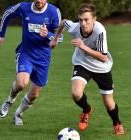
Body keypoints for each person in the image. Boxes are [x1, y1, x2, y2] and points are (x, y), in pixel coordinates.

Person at [50, 3, 125, 135]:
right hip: (82, 63)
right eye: (80, 20)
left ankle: (117, 123)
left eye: (86, 20)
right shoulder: (74, 28)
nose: (83, 23)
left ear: (94, 19)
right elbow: (63, 22)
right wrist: (55, 39)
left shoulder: (100, 31)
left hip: (102, 68)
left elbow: (103, 57)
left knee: (108, 103)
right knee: (76, 94)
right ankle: (87, 110)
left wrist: (83, 47)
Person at [0, 0, 62, 126]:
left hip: (43, 58)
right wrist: (1, 34)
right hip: (26, 52)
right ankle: (10, 100)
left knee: (34, 94)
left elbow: (60, 38)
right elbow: (7, 13)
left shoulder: (54, 12)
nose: (39, 1)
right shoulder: (24, 7)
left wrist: (48, 35)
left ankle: (18, 114)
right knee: (22, 83)